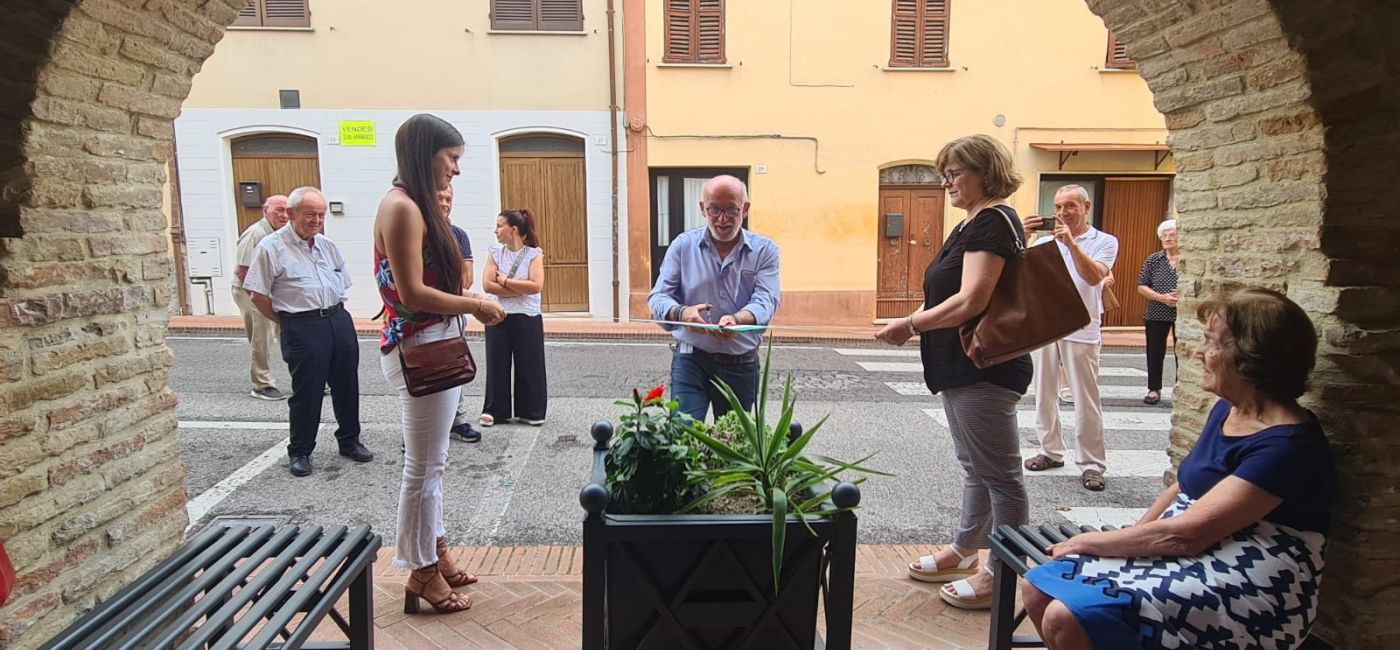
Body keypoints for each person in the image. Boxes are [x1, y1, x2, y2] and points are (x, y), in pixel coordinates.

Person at [1021, 288, 1334, 649]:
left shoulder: (1288, 445)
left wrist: (1093, 541)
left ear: (1253, 358)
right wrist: (1133, 536)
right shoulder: (1229, 410)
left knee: (1069, 615)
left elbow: (1187, 536)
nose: (1198, 352)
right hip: (1200, 548)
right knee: (1036, 585)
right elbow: (1183, 487)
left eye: (1212, 343)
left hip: (1252, 571)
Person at [875, 134, 1030, 610]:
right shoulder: (971, 223)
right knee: (975, 468)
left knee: (1001, 476)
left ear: (985, 172)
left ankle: (1002, 574)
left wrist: (911, 324)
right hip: (961, 366)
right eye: (944, 173)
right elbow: (948, 292)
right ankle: (966, 548)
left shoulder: (992, 222)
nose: (946, 182)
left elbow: (972, 300)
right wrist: (911, 321)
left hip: (984, 366)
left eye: (955, 172)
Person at [374, 114, 505, 615]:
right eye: (451, 157)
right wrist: (475, 305)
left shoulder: (412, 205)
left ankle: (437, 553)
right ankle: (422, 572)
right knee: (424, 468)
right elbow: (412, 293)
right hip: (421, 350)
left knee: (433, 464)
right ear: (426, 152)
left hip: (429, 345)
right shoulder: (404, 208)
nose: (456, 169)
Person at [242, 187, 373, 477]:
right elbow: (257, 295)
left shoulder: (327, 245)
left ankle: (349, 440)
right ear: (290, 214)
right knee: (308, 391)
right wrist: (287, 320)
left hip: (338, 320)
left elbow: (342, 281)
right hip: (302, 325)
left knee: (346, 385)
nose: (316, 220)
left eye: (321, 215)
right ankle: (300, 451)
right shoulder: (270, 247)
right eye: (310, 214)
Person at [647, 175, 780, 423]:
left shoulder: (765, 250)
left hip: (741, 363)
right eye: (714, 209)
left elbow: (766, 299)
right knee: (683, 436)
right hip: (691, 359)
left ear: (746, 209)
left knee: (732, 445)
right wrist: (682, 313)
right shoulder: (682, 246)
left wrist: (738, 320)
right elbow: (658, 297)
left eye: (731, 209)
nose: (722, 218)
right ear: (702, 209)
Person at [1020, 185, 1119, 492]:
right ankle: (1050, 450)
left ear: (1086, 207)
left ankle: (1092, 464)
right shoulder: (1045, 241)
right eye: (1059, 207)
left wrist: (1072, 245)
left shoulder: (1104, 241)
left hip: (1082, 326)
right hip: (1046, 325)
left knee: (1085, 397)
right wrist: (1023, 237)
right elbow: (1016, 270)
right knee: (1044, 392)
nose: (1063, 213)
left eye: (1071, 206)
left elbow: (1093, 277)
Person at [479, 209, 548, 427]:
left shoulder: (534, 254)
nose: (496, 230)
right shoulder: (495, 252)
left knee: (530, 363)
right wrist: (519, 288)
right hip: (498, 314)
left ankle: (532, 410)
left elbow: (536, 285)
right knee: (496, 362)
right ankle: (494, 410)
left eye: (500, 226)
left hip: (527, 316)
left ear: (514, 229)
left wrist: (506, 282)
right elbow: (488, 284)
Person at [437, 185, 486, 444]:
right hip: (425, 318)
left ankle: (458, 420)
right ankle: (417, 432)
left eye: (449, 198)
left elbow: (466, 278)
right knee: (422, 372)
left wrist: (457, 293)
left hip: (454, 312)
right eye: (440, 198)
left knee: (455, 367)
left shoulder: (458, 235)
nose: (445, 203)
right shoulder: (417, 232)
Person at [232, 195, 289, 401]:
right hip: (250, 289)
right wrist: (260, 300)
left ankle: (305, 375)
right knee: (262, 333)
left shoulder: (285, 233)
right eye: (278, 210)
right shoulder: (256, 234)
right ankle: (261, 384)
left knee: (290, 329)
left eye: (286, 211)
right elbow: (244, 272)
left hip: (272, 289)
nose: (283, 215)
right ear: (266, 212)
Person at [1137, 219, 1179, 405]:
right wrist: (1162, 298)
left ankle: (1181, 389)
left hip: (1183, 314)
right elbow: (1141, 286)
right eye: (1164, 235)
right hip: (1156, 311)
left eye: (1172, 234)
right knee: (1154, 351)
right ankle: (1154, 389)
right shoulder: (1154, 259)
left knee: (1183, 352)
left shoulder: (1191, 260)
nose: (1168, 238)